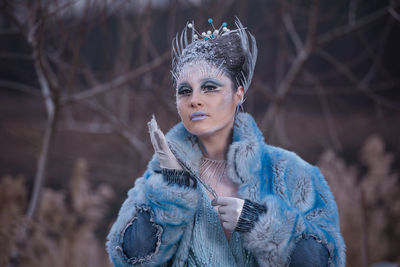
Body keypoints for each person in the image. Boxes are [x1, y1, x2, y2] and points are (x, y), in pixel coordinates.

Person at [106, 18, 346, 267]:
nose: (194, 100)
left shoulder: (292, 173)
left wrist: (258, 222)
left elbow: (325, 261)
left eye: (209, 87)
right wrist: (170, 191)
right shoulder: (159, 179)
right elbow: (128, 259)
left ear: (238, 94)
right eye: (185, 91)